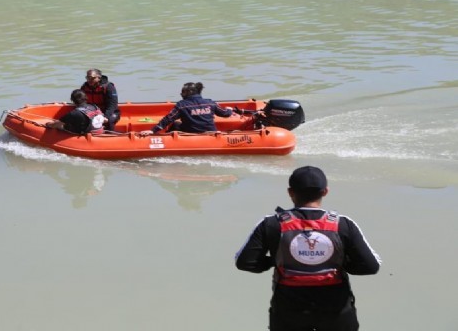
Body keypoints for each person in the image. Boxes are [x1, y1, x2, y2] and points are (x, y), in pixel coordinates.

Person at [234, 166, 381, 331]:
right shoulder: (343, 224)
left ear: (290, 192)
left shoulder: (271, 223)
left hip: (288, 309)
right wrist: (342, 263)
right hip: (336, 309)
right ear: (325, 191)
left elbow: (245, 262)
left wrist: (274, 261)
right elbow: (371, 266)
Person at [139, 82, 234, 136]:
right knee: (177, 123)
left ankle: (168, 140)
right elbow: (225, 114)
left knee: (175, 124)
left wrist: (153, 130)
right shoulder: (210, 103)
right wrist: (229, 109)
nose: (181, 95)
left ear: (188, 93)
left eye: (182, 92)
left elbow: (168, 119)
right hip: (210, 132)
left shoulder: (182, 105)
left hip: (190, 133)